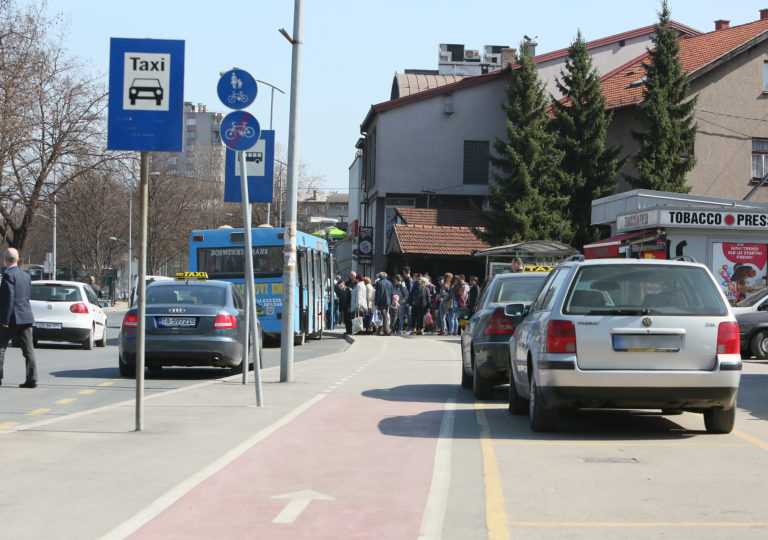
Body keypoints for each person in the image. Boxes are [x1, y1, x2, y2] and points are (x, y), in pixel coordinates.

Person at [0, 248, 37, 388]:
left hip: (11, 318)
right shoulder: (25, 275)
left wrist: (5, 320)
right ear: (18, 259)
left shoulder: (8, 276)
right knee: (29, 350)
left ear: (5, 260)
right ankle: (32, 378)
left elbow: (8, 299)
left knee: (1, 348)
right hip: (26, 316)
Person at [373, 272, 393, 336]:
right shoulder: (390, 283)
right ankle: (384, 330)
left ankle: (386, 331)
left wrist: (376, 303)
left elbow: (377, 294)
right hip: (388, 302)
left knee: (384, 317)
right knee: (385, 316)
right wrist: (391, 302)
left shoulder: (379, 283)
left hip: (381, 302)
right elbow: (391, 293)